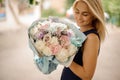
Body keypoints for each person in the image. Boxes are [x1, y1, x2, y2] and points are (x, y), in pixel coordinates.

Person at [61, 0, 106, 80]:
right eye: (77, 12)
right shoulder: (79, 31)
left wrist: (65, 58)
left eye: (85, 14)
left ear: (94, 15)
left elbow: (87, 76)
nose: (79, 17)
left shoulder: (91, 38)